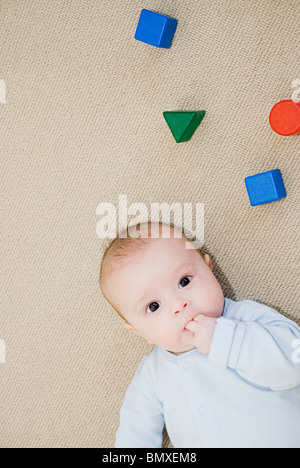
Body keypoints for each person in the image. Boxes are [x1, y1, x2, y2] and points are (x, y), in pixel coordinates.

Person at [99, 221, 300, 448]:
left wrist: (227, 340)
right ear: (138, 331)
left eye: (184, 281)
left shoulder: (245, 317)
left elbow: (294, 364)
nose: (178, 305)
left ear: (208, 268)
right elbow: (134, 435)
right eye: (154, 306)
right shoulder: (152, 375)